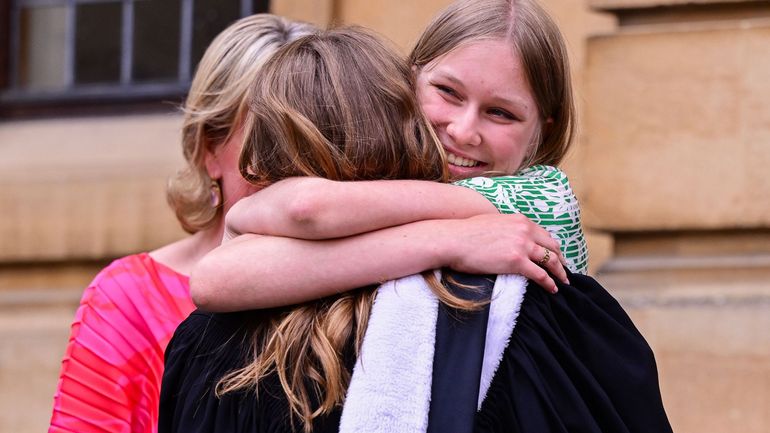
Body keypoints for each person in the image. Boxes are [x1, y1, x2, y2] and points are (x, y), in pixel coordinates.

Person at [171, 1, 671, 432]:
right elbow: (217, 278)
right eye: (448, 93)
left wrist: (258, 214)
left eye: (501, 113)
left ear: (544, 128)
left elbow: (304, 212)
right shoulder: (401, 199)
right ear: (406, 81)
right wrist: (448, 242)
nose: (464, 129)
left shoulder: (541, 199)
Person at [47, 14, 317, 433]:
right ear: (210, 147)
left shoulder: (367, 286)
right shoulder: (128, 300)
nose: (294, 171)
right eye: (268, 143)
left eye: (314, 144)